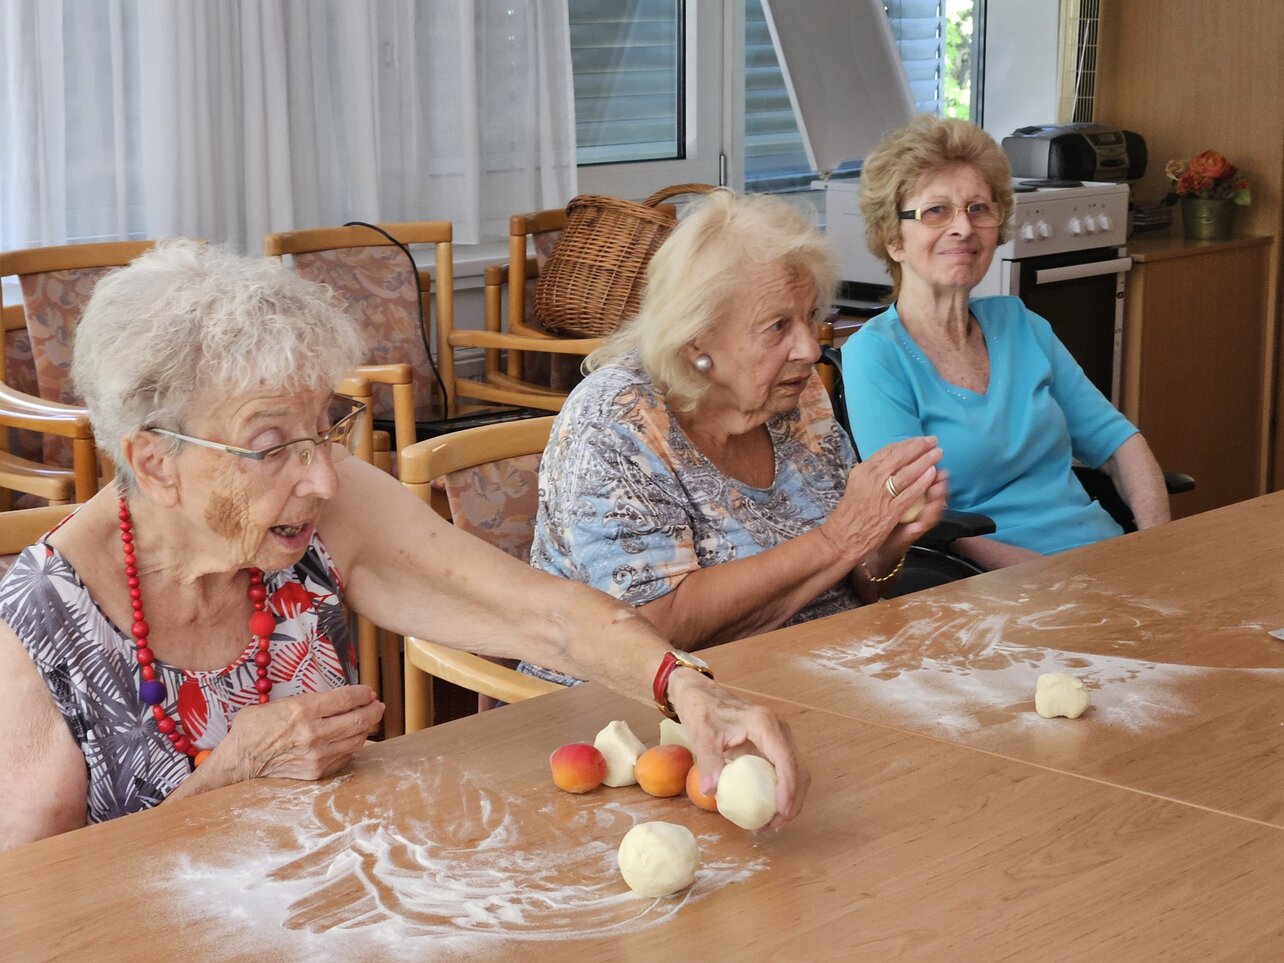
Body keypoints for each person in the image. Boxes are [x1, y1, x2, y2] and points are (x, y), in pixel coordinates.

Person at [0, 240, 810, 849]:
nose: (321, 477)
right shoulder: (37, 631)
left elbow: (545, 616)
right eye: (273, 444)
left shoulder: (322, 509)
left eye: (327, 428)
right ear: (154, 461)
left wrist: (687, 688)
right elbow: (43, 912)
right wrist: (231, 773)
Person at [524, 189, 947, 686]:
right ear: (695, 338)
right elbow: (654, 629)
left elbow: (856, 587)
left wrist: (881, 545)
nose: (810, 349)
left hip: (817, 671)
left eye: (810, 317)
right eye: (777, 326)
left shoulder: (794, 396)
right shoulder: (618, 419)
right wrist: (841, 538)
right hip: (649, 711)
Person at [841, 115, 1169, 570]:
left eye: (979, 208)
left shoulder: (1020, 324)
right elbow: (917, 519)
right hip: (995, 585)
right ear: (893, 239)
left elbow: (1120, 444)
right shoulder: (875, 355)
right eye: (936, 211)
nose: (964, 227)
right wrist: (1050, 578)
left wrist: (1156, 546)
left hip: (1105, 557)